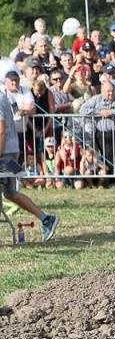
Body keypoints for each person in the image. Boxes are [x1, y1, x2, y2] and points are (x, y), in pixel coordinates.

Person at [0, 92, 59, 239]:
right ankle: (46, 219)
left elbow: (1, 131)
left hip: (4, 151)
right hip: (10, 149)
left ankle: (46, 219)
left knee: (9, 191)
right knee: (10, 192)